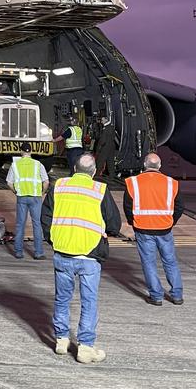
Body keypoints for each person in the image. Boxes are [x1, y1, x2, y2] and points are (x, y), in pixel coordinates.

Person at [50, 152, 121, 364]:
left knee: (62, 298)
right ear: (93, 172)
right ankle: (86, 347)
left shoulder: (60, 186)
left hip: (63, 251)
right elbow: (114, 224)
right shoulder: (100, 190)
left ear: (74, 169)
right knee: (88, 301)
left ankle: (61, 340)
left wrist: (54, 238)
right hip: (89, 254)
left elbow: (46, 216)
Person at [123, 153, 184, 305]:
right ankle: (177, 295)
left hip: (143, 228)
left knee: (149, 263)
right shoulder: (172, 183)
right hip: (165, 228)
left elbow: (127, 206)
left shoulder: (133, 182)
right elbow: (179, 207)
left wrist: (133, 222)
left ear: (144, 165)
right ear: (160, 166)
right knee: (170, 262)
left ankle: (156, 296)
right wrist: (171, 221)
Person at [6, 142, 49, 259]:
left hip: (21, 197)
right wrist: (42, 192)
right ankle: (38, 252)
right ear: (30, 151)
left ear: (21, 152)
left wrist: (15, 191)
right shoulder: (38, 164)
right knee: (37, 224)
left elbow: (9, 182)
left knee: (20, 224)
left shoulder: (15, 165)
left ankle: (19, 252)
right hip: (36, 197)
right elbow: (46, 181)